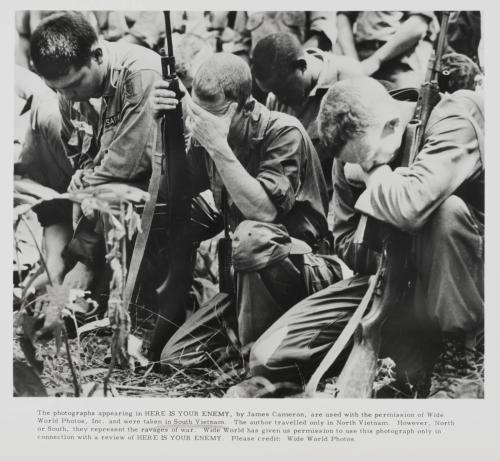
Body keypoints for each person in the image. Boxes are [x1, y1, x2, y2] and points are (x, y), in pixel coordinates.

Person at [246, 77, 484, 397]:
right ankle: (399, 355)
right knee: (267, 360)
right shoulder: (354, 150)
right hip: (388, 279)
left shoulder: (454, 119)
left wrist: (374, 176)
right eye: (357, 163)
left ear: (393, 124)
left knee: (445, 211)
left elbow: (412, 208)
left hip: (466, 278)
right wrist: (381, 236)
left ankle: (458, 361)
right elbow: (345, 242)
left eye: (370, 159)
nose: (361, 167)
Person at [150, 52, 342, 358]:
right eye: (199, 114)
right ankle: (251, 344)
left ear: (247, 106)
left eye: (216, 114)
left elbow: (263, 213)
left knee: (253, 237)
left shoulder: (283, 131)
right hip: (245, 279)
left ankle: (257, 360)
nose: (204, 124)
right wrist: (163, 131)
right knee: (177, 357)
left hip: (301, 271)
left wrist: (217, 146)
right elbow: (171, 192)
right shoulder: (209, 132)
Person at [29, 12, 161, 291]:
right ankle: (62, 266)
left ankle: (84, 268)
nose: (67, 97)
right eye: (57, 89)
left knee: (105, 192)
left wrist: (86, 183)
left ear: (98, 55)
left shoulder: (141, 73)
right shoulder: (70, 93)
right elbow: (80, 156)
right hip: (112, 193)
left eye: (75, 84)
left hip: (169, 190)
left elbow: (130, 163)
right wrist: (82, 174)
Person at [252, 32, 364, 193]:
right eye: (273, 92)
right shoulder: (274, 98)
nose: (280, 99)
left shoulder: (348, 78)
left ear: (302, 65)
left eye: (283, 91)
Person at [14, 66, 74, 292]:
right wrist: (53, 266)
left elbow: (80, 204)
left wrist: (62, 268)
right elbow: (52, 213)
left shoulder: (51, 119)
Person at [335, 11, 439, 89]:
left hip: (400, 62)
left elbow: (418, 24)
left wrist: (375, 60)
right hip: (360, 58)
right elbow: (343, 17)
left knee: (403, 109)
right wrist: (354, 62)